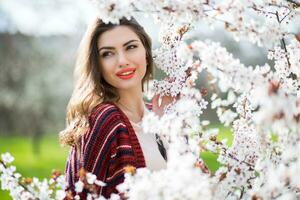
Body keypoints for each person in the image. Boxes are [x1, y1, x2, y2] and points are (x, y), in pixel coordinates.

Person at [59, 17, 172, 199]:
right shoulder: (105, 119)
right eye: (108, 54)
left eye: (131, 47)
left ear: (146, 51)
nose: (122, 61)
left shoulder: (162, 116)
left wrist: (172, 130)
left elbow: (200, 183)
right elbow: (77, 195)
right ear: (97, 64)